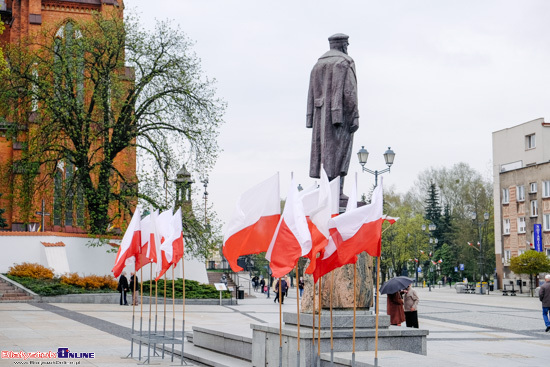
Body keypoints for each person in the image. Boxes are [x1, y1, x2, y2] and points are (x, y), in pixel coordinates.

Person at [306, 33, 359, 199]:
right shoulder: (345, 62)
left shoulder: (318, 64)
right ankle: (337, 191)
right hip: (339, 118)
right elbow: (349, 92)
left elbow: (310, 94)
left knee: (323, 153)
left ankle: (326, 189)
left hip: (319, 116)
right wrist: (354, 116)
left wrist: (310, 117)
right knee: (338, 153)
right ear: (343, 45)